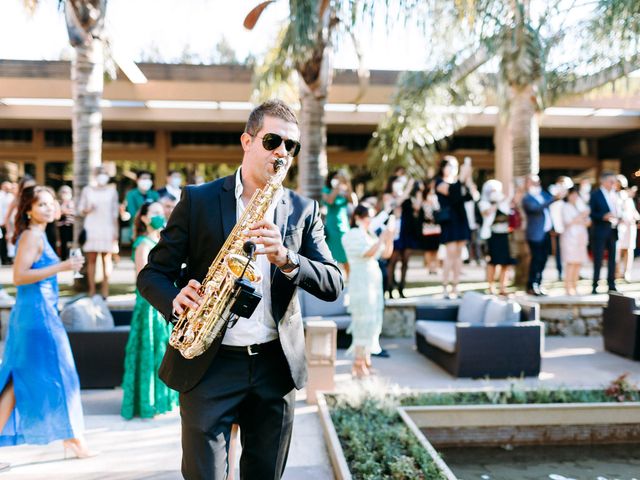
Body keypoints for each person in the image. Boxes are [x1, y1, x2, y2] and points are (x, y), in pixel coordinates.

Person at [137, 99, 343, 479]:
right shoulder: (198, 200)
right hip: (209, 365)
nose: (282, 152)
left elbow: (333, 281)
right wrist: (174, 299)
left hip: (274, 366)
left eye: (290, 146)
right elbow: (152, 275)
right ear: (247, 141)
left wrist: (287, 258)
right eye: (272, 141)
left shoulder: (303, 210)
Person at [0, 185, 94, 460]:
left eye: (51, 203)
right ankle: (75, 441)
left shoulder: (38, 234)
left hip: (36, 314)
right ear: (28, 210)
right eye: (41, 204)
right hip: (37, 317)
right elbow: (19, 277)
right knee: (60, 374)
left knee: (19, 381)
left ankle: (74, 441)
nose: (49, 207)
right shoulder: (31, 235)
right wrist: (62, 267)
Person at [121, 201, 178, 419]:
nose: (159, 215)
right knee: (149, 350)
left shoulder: (161, 241)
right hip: (149, 307)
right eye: (153, 213)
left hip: (165, 302)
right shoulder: (143, 243)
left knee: (164, 351)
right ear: (144, 218)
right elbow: (143, 279)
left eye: (160, 212)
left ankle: (164, 399)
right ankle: (147, 402)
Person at [341, 204, 394, 377]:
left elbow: (385, 255)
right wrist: (381, 239)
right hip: (361, 282)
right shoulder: (352, 235)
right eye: (367, 217)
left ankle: (366, 358)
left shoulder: (368, 234)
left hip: (373, 281)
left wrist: (389, 238)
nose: (369, 221)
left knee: (373, 319)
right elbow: (367, 254)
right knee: (362, 321)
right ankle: (358, 362)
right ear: (357, 218)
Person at [435, 155, 476, 298]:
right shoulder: (439, 182)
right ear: (442, 167)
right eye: (449, 165)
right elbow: (451, 192)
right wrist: (462, 179)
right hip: (450, 221)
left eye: (455, 166)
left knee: (459, 256)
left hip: (461, 219)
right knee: (450, 254)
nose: (452, 169)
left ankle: (456, 287)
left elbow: (469, 197)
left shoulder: (459, 183)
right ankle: (445, 287)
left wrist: (467, 180)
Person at [77, 166, 119, 298]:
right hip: (91, 227)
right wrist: (87, 209)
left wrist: (115, 232)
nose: (102, 176)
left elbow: (115, 213)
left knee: (107, 259)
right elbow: (80, 209)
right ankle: (92, 290)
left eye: (104, 173)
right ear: (95, 176)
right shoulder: (87, 190)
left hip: (107, 228)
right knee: (91, 260)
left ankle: (105, 290)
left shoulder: (112, 191)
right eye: (99, 174)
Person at [522, 174, 559, 296]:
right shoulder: (527, 198)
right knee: (536, 259)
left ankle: (538, 283)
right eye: (533, 183)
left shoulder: (543, 194)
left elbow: (552, 201)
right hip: (535, 234)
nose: (536, 185)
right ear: (527, 184)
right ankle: (531, 285)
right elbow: (536, 209)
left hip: (546, 233)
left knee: (543, 259)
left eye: (537, 183)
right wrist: (552, 199)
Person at [478, 179, 515, 295]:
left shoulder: (504, 202)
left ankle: (503, 287)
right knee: (492, 262)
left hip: (504, 235)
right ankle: (490, 287)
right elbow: (487, 214)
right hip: (492, 236)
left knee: (505, 263)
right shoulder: (484, 203)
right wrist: (495, 203)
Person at [321, 170, 356, 276]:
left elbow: (353, 201)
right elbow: (330, 201)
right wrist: (338, 187)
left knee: (347, 257)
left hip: (344, 227)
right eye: (335, 177)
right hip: (331, 228)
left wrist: (347, 182)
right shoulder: (326, 190)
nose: (337, 180)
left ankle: (350, 282)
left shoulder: (344, 191)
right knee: (331, 256)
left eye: (339, 178)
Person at [590, 171, 620, 294]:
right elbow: (591, 213)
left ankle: (611, 285)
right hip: (600, 231)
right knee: (598, 259)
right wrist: (603, 216)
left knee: (613, 259)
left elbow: (618, 211)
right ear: (603, 181)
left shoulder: (615, 194)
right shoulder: (595, 194)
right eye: (611, 181)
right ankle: (595, 284)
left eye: (614, 181)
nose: (613, 184)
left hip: (613, 230)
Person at [560, 187, 590, 295]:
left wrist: (583, 218)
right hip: (570, 238)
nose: (574, 197)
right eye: (572, 194)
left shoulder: (579, 206)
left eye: (576, 194)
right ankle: (567, 287)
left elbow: (588, 222)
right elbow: (568, 222)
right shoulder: (565, 207)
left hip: (581, 238)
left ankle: (574, 286)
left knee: (578, 263)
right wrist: (581, 216)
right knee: (570, 263)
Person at [549, 176, 574, 281]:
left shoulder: (571, 197)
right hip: (559, 228)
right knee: (559, 251)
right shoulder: (554, 196)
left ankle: (572, 272)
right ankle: (560, 271)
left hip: (571, 229)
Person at [615, 175, 639, 282]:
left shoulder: (628, 198)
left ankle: (626, 272)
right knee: (618, 250)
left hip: (630, 226)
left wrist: (637, 219)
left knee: (629, 250)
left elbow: (633, 212)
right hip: (621, 226)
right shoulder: (615, 196)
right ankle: (617, 272)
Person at [56, 185, 75, 260]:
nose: (65, 194)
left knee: (71, 242)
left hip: (71, 225)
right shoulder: (59, 203)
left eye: (67, 192)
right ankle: (64, 258)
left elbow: (74, 213)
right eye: (63, 192)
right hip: (62, 226)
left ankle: (71, 257)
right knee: (63, 243)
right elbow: (58, 213)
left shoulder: (73, 203)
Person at [0, 181, 15, 265]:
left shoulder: (11, 196)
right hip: (2, 222)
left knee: (10, 239)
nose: (8, 189)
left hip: (10, 222)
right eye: (6, 187)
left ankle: (10, 257)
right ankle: (4, 258)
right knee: (2, 241)